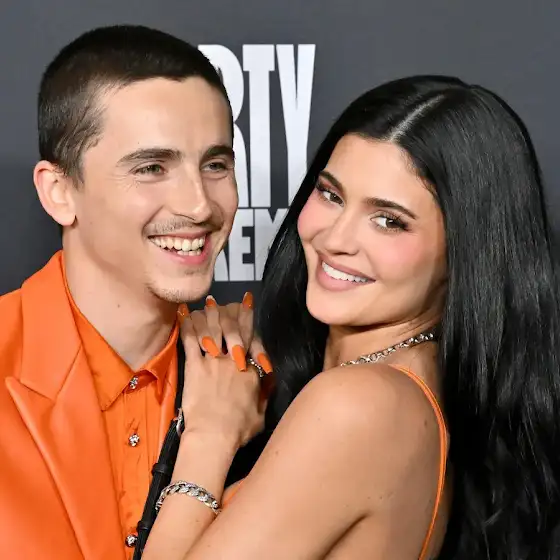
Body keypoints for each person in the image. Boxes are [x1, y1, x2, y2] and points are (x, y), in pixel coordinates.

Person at [142, 76, 560, 560]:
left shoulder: (359, 405)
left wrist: (211, 435)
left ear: (464, 254)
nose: (335, 238)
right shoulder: (410, 386)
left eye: (389, 221)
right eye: (331, 195)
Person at [0, 25, 268, 560]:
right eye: (151, 168)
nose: (199, 205)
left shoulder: (259, 381)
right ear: (59, 192)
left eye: (215, 164)